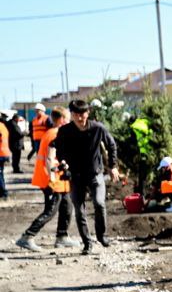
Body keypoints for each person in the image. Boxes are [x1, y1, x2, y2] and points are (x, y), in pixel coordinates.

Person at [51, 98, 120, 254]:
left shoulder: (97, 128)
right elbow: (59, 149)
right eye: (75, 114)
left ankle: (101, 235)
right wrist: (62, 162)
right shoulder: (65, 131)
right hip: (75, 175)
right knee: (79, 209)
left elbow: (111, 145)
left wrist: (113, 166)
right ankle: (87, 242)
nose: (79, 117)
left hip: (95, 174)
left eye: (82, 114)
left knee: (99, 203)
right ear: (72, 115)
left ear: (88, 113)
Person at [16, 107, 73, 250]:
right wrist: (53, 178)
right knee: (50, 211)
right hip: (50, 180)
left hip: (59, 180)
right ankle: (27, 236)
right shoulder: (55, 134)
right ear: (61, 120)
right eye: (68, 119)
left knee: (67, 205)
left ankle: (62, 236)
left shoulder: (55, 133)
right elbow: (50, 159)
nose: (70, 121)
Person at [6, 110, 26, 175]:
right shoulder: (14, 124)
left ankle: (16, 168)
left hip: (14, 143)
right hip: (16, 144)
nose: (18, 120)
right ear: (15, 118)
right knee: (16, 157)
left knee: (15, 157)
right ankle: (16, 169)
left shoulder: (11, 123)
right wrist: (25, 133)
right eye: (18, 119)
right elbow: (19, 133)